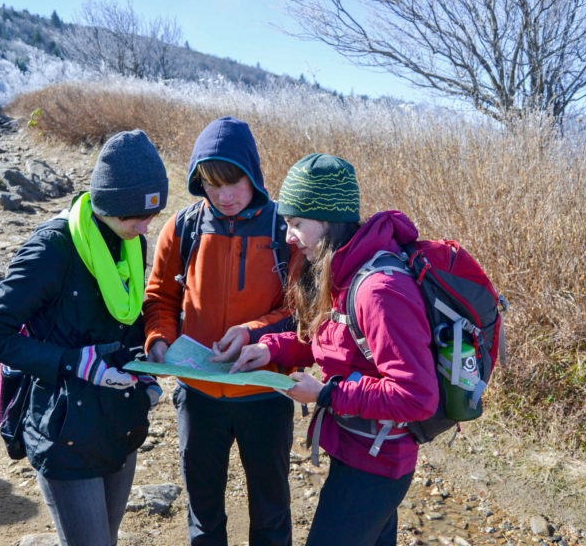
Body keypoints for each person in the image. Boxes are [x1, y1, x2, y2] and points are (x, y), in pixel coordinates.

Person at [0, 129, 168, 546]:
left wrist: (146, 365)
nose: (147, 224)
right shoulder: (51, 250)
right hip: (64, 431)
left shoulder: (131, 241)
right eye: (137, 215)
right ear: (108, 202)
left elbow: (125, 317)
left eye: (153, 214)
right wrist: (73, 363)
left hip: (120, 422)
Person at [227, 153, 439, 546]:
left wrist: (326, 393)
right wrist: (270, 347)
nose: (289, 236)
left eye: (296, 224)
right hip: (358, 448)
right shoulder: (344, 268)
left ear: (327, 220)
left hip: (377, 466)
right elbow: (336, 342)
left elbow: (417, 396)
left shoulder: (379, 291)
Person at [143, 116, 296, 546]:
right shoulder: (184, 227)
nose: (224, 196)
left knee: (270, 511)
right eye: (212, 184)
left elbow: (300, 313)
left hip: (265, 394)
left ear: (254, 176)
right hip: (198, 395)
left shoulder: (283, 230)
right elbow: (159, 300)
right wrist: (158, 340)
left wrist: (251, 332)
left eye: (234, 183)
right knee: (203, 512)